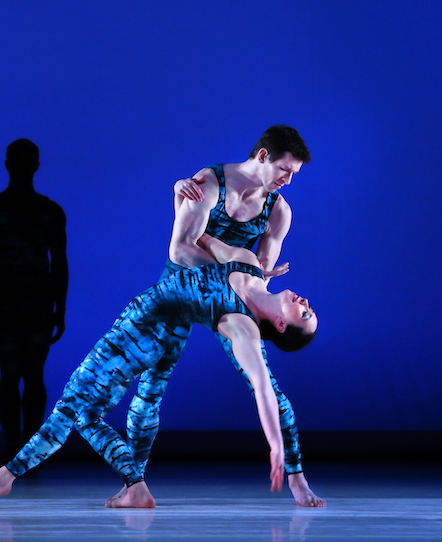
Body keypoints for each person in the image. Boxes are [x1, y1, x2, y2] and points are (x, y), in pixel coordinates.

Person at [0, 233, 317, 509]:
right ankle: (135, 487)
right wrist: (183, 193)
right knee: (87, 415)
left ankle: (6, 475)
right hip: (153, 324)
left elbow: (263, 386)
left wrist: (275, 445)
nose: (304, 303)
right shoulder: (248, 261)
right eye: (308, 307)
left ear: (282, 326)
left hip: (141, 333)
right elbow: (200, 238)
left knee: (72, 404)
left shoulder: (243, 327)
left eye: (304, 314)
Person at [125, 124, 326, 507]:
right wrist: (237, 269)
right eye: (285, 171)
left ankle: (297, 478)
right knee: (151, 385)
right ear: (263, 156)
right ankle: (133, 485)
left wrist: (251, 279)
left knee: (265, 384)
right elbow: (180, 250)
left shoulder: (277, 211)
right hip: (184, 287)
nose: (288, 180)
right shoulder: (210, 182)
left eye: (294, 175)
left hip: (232, 297)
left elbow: (259, 275)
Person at [0, 139, 68, 457]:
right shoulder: (46, 211)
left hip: (13, 303)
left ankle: (18, 445)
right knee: (23, 375)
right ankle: (23, 445)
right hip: (25, 303)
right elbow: (59, 263)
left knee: (17, 375)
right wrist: (60, 309)